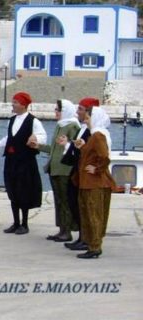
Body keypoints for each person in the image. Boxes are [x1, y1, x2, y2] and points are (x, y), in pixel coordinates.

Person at [0, 92, 46, 235]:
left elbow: (43, 136)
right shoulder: (11, 121)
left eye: (16, 102)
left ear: (23, 104)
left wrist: (36, 138)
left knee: (23, 191)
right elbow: (8, 139)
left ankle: (24, 224)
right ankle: (16, 222)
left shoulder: (33, 121)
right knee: (13, 190)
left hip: (25, 160)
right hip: (11, 160)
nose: (13, 104)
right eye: (13, 102)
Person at [73, 106, 114, 259]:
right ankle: (92, 245)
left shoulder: (97, 135)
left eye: (89, 118)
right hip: (87, 182)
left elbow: (104, 156)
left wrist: (97, 169)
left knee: (93, 215)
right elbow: (94, 154)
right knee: (89, 213)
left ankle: (95, 247)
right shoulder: (93, 135)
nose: (86, 120)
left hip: (94, 183)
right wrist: (83, 147)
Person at [59, 97, 99, 251]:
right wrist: (69, 145)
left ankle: (87, 239)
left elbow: (97, 152)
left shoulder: (94, 131)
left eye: (81, 109)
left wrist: (96, 168)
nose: (77, 112)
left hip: (84, 173)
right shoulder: (83, 128)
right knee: (75, 204)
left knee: (83, 205)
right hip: (77, 171)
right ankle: (82, 237)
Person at [37, 100, 80, 242]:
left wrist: (67, 144)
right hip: (54, 169)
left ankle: (67, 230)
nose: (56, 112)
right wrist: (39, 146)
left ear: (65, 110)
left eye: (58, 110)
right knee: (59, 200)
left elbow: (74, 147)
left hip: (64, 170)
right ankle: (62, 229)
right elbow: (54, 149)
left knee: (65, 200)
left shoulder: (72, 126)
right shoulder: (60, 126)